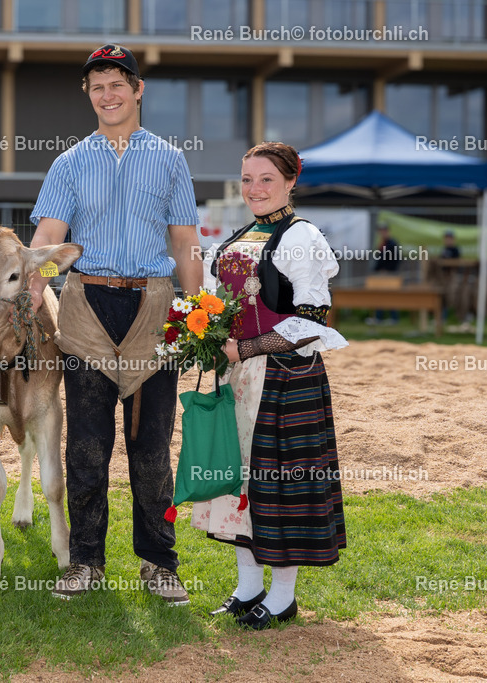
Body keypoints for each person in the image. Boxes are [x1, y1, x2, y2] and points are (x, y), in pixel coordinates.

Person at [28, 44, 202, 604]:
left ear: (137, 89)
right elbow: (47, 242)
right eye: (97, 85)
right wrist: (30, 291)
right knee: (86, 445)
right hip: (86, 306)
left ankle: (159, 562)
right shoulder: (70, 162)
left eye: (117, 84)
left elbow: (185, 244)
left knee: (151, 445)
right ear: (89, 94)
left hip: (153, 308)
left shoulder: (171, 159)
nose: (108, 94)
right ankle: (86, 562)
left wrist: (197, 315)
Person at [196, 141, 348, 629]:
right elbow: (216, 302)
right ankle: (248, 587)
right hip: (237, 377)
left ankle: (283, 596)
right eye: (246, 179)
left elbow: (310, 319)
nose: (254, 189)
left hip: (283, 378)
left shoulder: (301, 236)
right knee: (239, 481)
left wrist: (245, 349)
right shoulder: (241, 234)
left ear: (290, 181)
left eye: (265, 179)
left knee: (279, 486)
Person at [369, 223, 401, 325]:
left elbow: (395, 259)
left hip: (389, 273)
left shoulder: (392, 244)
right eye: (381, 231)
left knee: (391, 295)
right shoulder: (383, 243)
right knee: (379, 295)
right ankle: (378, 317)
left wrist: (388, 270)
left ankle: (394, 317)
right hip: (382, 273)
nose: (382, 233)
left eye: (384, 231)